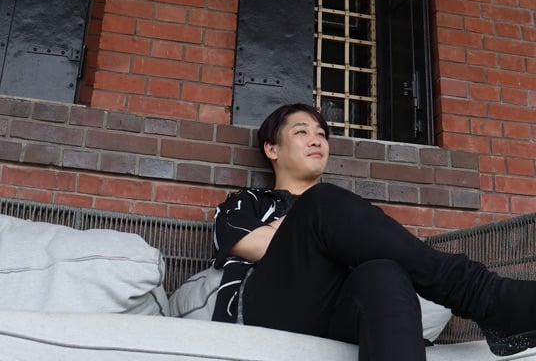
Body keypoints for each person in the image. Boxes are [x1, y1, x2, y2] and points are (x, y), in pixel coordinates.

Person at [211, 103, 536, 360]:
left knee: (383, 271)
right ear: (272, 149)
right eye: (302, 132)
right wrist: (311, 228)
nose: (317, 140)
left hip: (336, 312)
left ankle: (484, 297)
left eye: (322, 134)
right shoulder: (247, 201)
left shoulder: (345, 211)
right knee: (322, 202)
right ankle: (482, 295)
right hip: (271, 309)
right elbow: (249, 243)